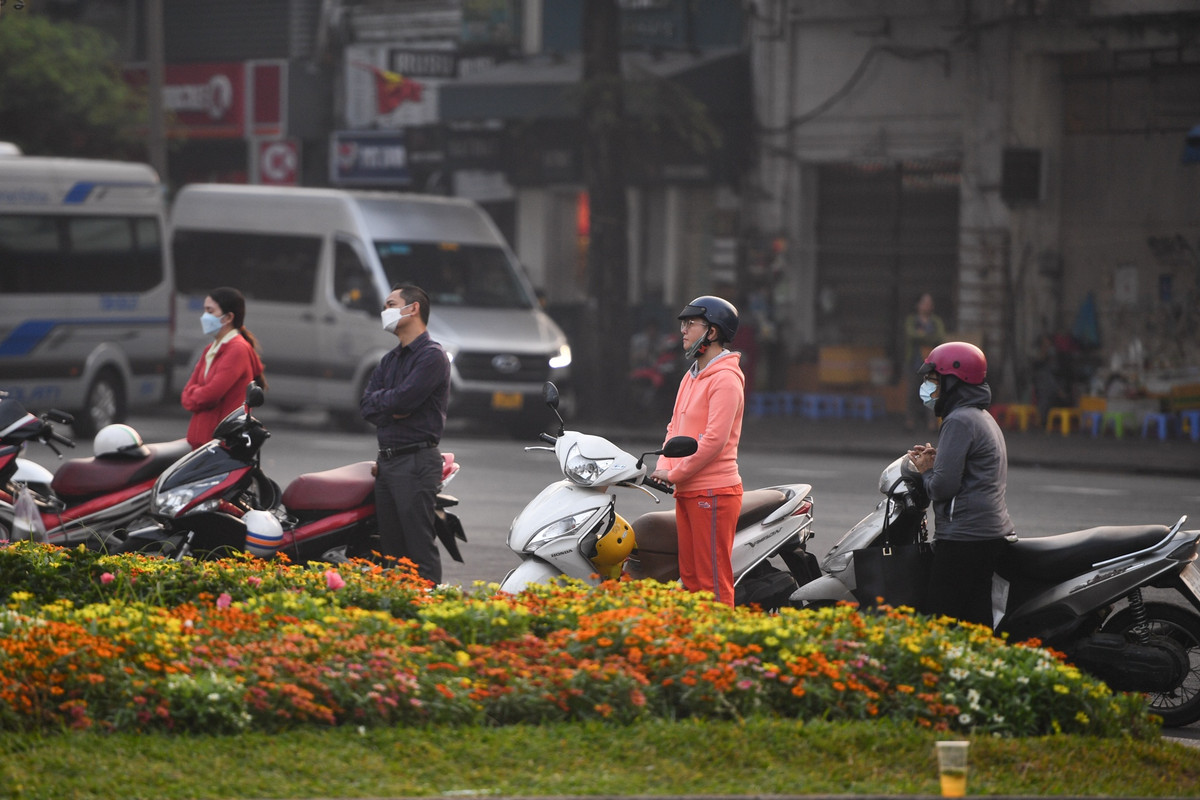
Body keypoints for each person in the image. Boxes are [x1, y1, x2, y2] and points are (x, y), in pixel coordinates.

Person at [905, 341, 1014, 627]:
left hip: (964, 537)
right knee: (974, 621)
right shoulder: (980, 417)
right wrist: (940, 460)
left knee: (940, 621)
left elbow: (942, 487)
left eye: (933, 380)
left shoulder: (958, 420)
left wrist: (927, 471)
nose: (928, 387)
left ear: (954, 381)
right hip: (986, 533)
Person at [649, 295, 745, 607]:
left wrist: (674, 472)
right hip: (688, 490)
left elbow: (714, 442)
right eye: (683, 324)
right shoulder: (691, 375)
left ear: (712, 332)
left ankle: (720, 651)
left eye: (691, 324)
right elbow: (674, 428)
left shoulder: (726, 380)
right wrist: (664, 464)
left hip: (714, 493)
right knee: (690, 582)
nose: (684, 330)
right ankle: (696, 649)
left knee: (713, 583)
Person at [359, 284, 450, 584]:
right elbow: (367, 406)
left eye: (390, 304)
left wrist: (391, 403)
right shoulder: (389, 360)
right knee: (392, 553)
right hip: (386, 463)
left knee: (418, 549)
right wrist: (392, 405)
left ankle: (429, 613)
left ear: (412, 309)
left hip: (415, 462)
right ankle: (400, 617)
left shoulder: (432, 356)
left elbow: (403, 400)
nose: (385, 311)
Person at [180, 287, 267, 449]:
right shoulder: (210, 349)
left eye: (210, 311)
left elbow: (211, 394)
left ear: (227, 317)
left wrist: (195, 394)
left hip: (222, 444)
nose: (204, 317)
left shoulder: (237, 349)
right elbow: (186, 394)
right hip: (202, 441)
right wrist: (197, 394)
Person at [904, 293, 946, 431]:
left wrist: (922, 336)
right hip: (914, 363)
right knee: (911, 394)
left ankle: (931, 424)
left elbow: (939, 337)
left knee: (931, 394)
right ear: (918, 305)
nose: (927, 305)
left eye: (929, 302)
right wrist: (928, 337)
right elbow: (911, 334)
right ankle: (910, 422)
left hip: (931, 364)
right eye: (924, 302)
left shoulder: (936, 321)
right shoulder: (912, 320)